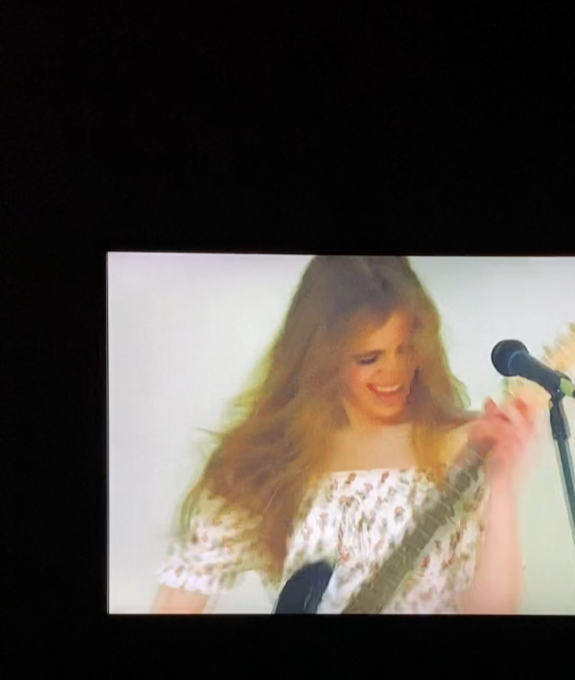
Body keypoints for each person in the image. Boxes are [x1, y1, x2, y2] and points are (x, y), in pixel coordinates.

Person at [152, 255, 537, 614]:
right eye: (369, 358)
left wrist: (502, 487)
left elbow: (492, 611)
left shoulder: (462, 446)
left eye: (407, 349)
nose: (396, 373)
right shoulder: (268, 463)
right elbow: (181, 594)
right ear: (320, 359)